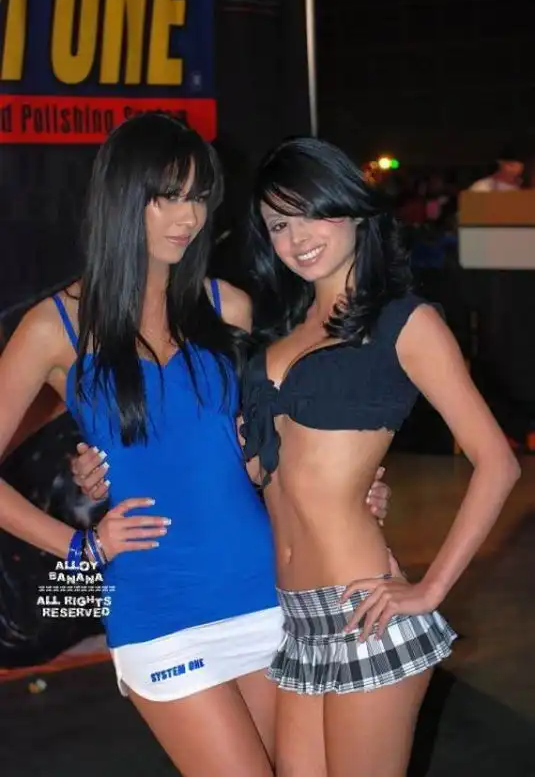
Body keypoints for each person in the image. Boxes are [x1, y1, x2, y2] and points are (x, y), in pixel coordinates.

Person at [0, 114, 390, 777]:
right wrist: (79, 546)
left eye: (198, 197)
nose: (187, 217)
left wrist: (344, 488)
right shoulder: (54, 325)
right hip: (158, 608)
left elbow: (257, 455)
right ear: (122, 198)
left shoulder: (227, 306)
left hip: (264, 592)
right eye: (166, 197)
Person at [237, 136, 520, 777]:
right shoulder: (280, 334)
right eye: (278, 224)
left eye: (311, 213)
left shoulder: (403, 322)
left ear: (352, 209)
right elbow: (259, 471)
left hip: (361, 610)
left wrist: (431, 588)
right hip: (296, 618)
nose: (296, 238)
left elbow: (497, 462)